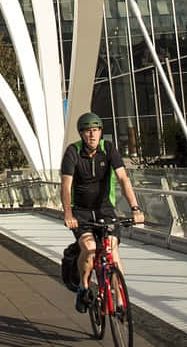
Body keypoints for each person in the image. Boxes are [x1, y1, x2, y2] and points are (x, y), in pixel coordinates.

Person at [60, 111, 144, 313]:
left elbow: (123, 179)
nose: (92, 135)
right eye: (88, 131)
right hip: (81, 212)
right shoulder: (73, 152)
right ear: (81, 134)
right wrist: (69, 215)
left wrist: (135, 208)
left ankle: (121, 302)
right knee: (89, 249)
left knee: (112, 252)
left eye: (96, 130)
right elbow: (65, 186)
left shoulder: (108, 149)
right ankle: (83, 286)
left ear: (100, 132)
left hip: (105, 210)